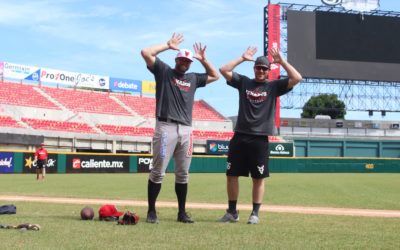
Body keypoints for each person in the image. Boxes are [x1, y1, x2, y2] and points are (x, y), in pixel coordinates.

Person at [140, 33, 219, 224]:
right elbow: (145, 52)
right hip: (166, 126)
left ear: (190, 63)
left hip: (186, 129)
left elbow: (215, 75)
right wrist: (167, 45)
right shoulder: (164, 72)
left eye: (187, 60)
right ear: (176, 60)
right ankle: (152, 211)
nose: (184, 62)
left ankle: (181, 213)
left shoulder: (192, 78)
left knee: (183, 173)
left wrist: (204, 60)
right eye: (182, 59)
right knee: (158, 171)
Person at [218, 46, 302, 224]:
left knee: (258, 178)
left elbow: (297, 78)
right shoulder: (244, 82)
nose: (261, 70)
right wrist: (242, 58)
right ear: (254, 68)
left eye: (264, 68)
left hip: (260, 138)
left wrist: (281, 61)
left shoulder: (274, 86)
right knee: (231, 175)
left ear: (269, 71)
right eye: (258, 67)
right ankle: (232, 212)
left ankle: (255, 213)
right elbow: (224, 70)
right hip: (240, 136)